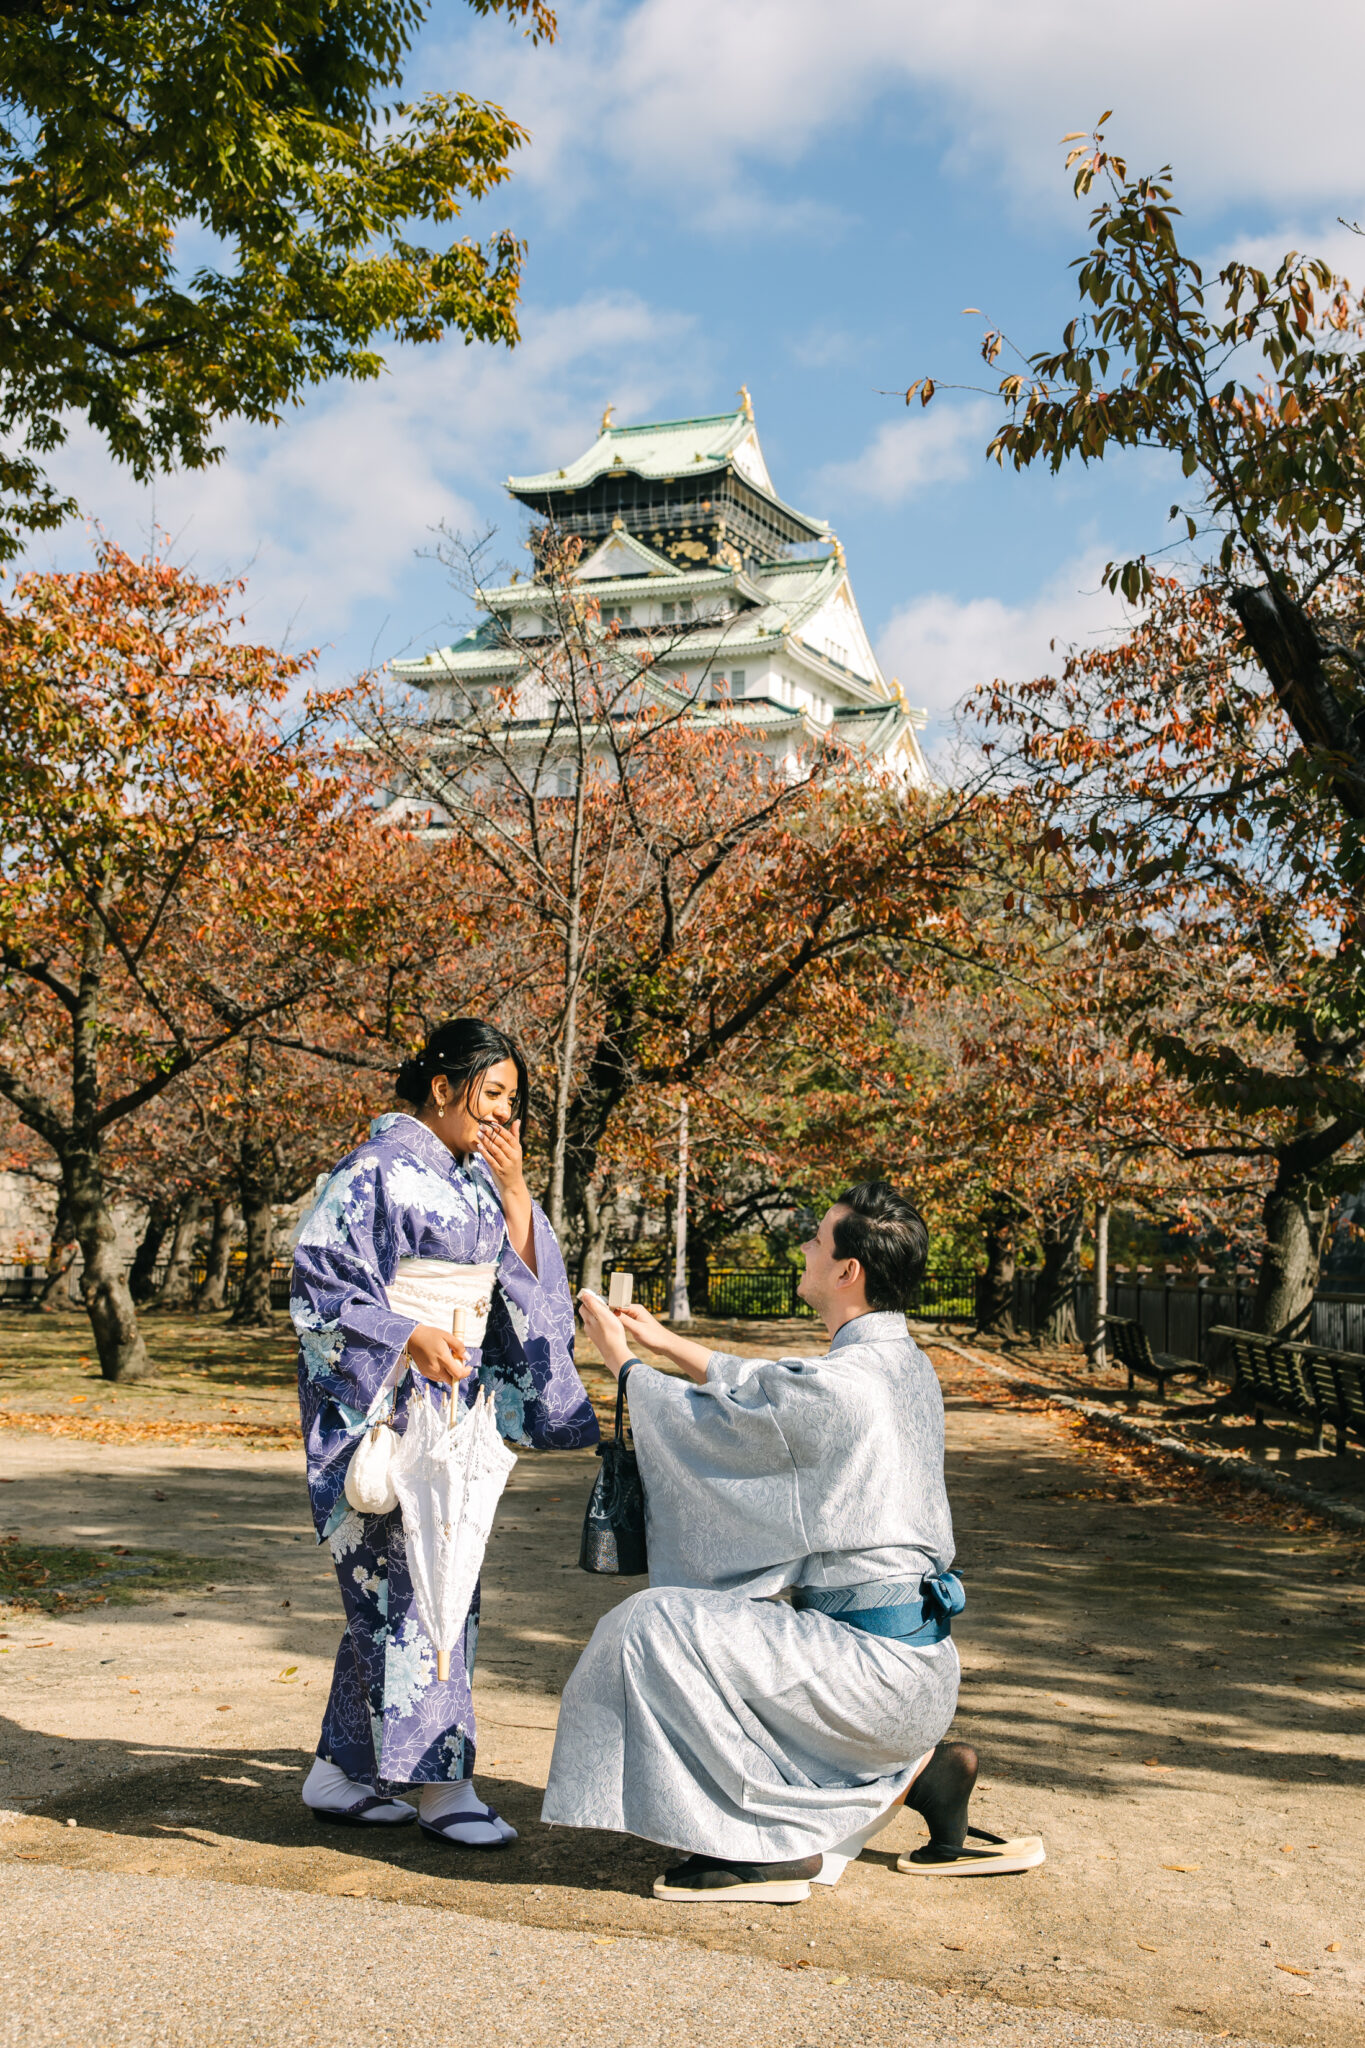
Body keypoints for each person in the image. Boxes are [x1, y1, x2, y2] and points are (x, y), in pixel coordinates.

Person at [547, 1180, 1044, 1902]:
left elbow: (739, 1418)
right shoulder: (899, 1363)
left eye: (816, 1240)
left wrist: (624, 1365)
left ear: (848, 1271)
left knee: (649, 1628)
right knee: (730, 1631)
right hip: (914, 1674)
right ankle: (923, 1775)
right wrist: (659, 1342)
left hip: (866, 1682)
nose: (802, 1248)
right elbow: (773, 1389)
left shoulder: (841, 1386)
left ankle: (765, 1853)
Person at [291, 1018, 599, 1846]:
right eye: (492, 1095)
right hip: (387, 1406)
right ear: (441, 1087)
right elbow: (320, 1292)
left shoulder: (473, 1177)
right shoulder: (370, 1173)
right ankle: (440, 1786)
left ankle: (339, 1771)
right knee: (416, 1591)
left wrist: (517, 1193)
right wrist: (405, 1337)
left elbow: (524, 1284)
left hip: (452, 1401)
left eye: (513, 1102)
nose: (503, 1115)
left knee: (421, 1584)